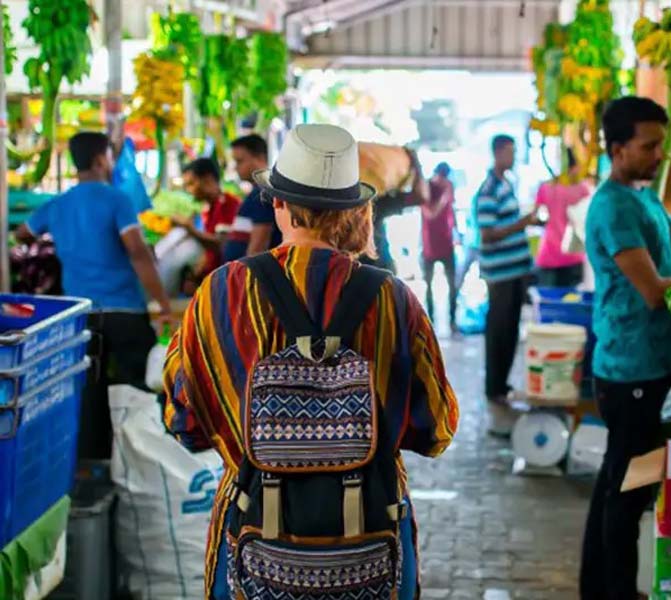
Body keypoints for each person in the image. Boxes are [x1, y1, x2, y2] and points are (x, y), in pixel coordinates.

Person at [162, 124, 458, 600]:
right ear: (355, 209)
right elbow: (437, 429)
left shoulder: (221, 292)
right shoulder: (395, 299)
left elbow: (184, 421)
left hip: (253, 537)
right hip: (372, 540)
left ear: (276, 202)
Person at [580, 97, 671, 600]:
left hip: (647, 364)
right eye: (649, 145)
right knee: (630, 490)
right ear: (617, 150)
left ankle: (597, 588)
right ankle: (617, 592)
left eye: (660, 143)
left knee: (617, 480)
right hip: (629, 368)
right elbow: (655, 291)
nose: (660, 154)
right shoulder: (613, 208)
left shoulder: (645, 196)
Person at [15, 131, 173, 459]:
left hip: (80, 316)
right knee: (139, 390)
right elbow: (137, 252)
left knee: (88, 393)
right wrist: (163, 303)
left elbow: (23, 233)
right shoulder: (117, 200)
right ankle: (139, 461)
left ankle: (92, 463)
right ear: (102, 160)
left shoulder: (57, 204)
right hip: (125, 313)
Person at [475, 134, 541, 435]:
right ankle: (494, 388)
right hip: (500, 276)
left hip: (515, 272)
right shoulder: (488, 191)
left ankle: (501, 384)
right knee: (499, 331)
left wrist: (529, 224)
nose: (513, 158)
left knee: (510, 329)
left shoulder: (505, 185)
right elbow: (487, 234)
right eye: (510, 152)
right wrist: (522, 224)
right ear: (497, 152)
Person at [175, 157, 241, 282]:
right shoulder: (207, 209)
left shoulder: (228, 204)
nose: (189, 190)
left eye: (191, 184)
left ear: (208, 180)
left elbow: (221, 244)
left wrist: (190, 229)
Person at [535, 147, 591, 288]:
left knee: (548, 304)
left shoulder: (546, 188)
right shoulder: (582, 189)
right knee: (571, 304)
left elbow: (535, 216)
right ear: (574, 167)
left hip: (548, 255)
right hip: (573, 255)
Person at [223, 134, 282, 262]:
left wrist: (244, 278)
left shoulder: (263, 193)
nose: (236, 167)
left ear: (259, 158)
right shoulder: (257, 192)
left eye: (239, 161)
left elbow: (258, 248)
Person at [421, 162, 457, 332]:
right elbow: (431, 212)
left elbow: (452, 211)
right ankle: (430, 321)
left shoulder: (449, 186)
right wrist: (444, 196)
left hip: (447, 242)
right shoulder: (427, 187)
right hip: (429, 244)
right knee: (428, 284)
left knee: (452, 284)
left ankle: (453, 320)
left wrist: (456, 232)